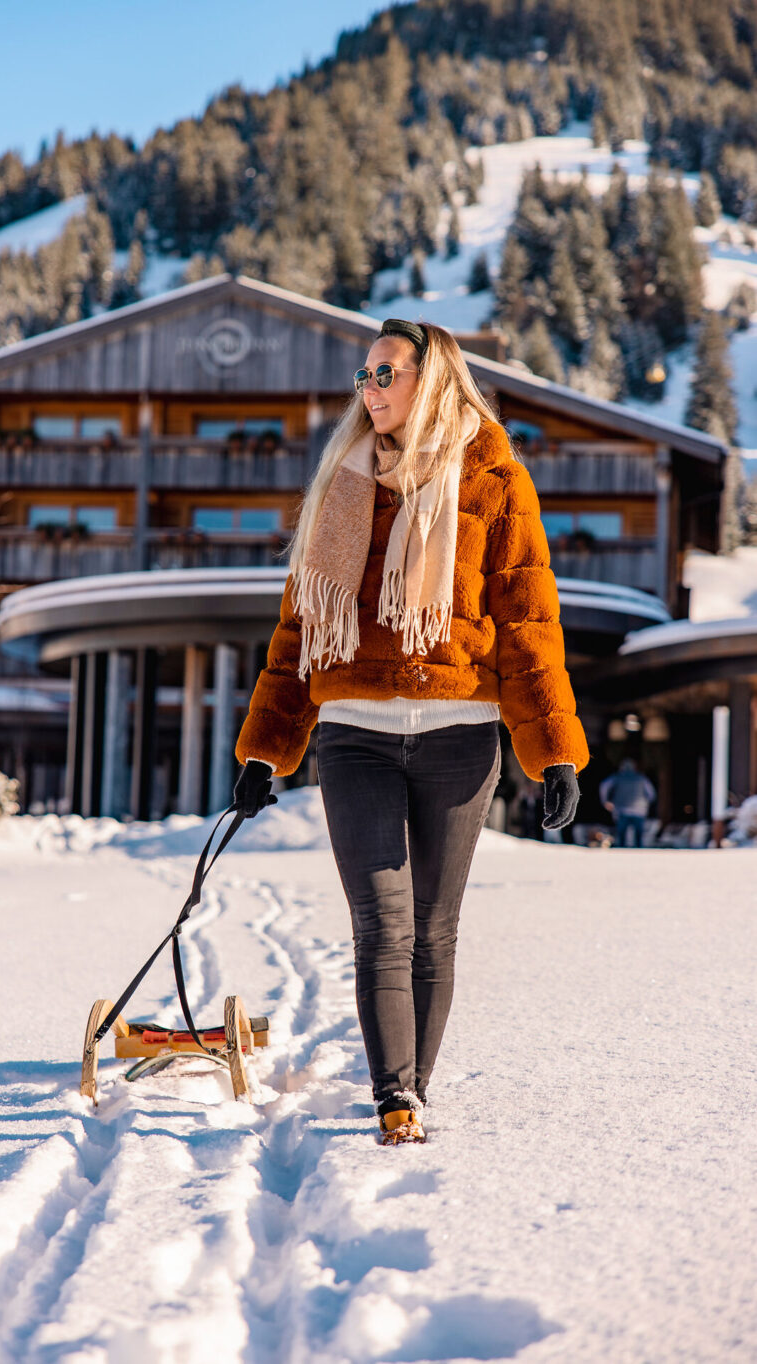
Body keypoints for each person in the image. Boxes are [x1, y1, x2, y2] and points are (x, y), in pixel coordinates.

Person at [232, 318, 589, 1145]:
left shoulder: (494, 478)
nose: (372, 388)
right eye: (365, 374)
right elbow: (299, 630)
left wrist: (554, 752)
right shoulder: (342, 480)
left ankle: (413, 1088)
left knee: (434, 928)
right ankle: (396, 1097)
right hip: (353, 731)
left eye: (387, 373)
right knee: (381, 926)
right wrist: (266, 747)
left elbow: (530, 622)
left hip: (461, 732)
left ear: (433, 380)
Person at [599, 757, 656, 848]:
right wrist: (646, 803)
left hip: (622, 809)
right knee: (638, 837)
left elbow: (604, 786)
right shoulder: (641, 778)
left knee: (621, 837)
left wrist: (605, 801)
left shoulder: (617, 777)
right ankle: (639, 854)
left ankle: (622, 855)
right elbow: (651, 793)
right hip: (639, 810)